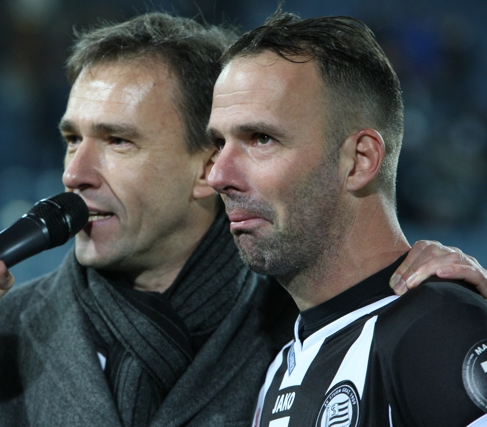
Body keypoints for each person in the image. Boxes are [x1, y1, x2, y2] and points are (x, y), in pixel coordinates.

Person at [0, 11, 485, 427]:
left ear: (205, 166)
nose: (75, 173)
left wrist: (438, 303)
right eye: (72, 139)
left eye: (118, 142)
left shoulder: (300, 312)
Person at [207, 8, 487, 427]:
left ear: (359, 160)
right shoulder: (281, 369)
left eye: (261, 138)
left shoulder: (438, 333)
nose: (218, 175)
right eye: (218, 143)